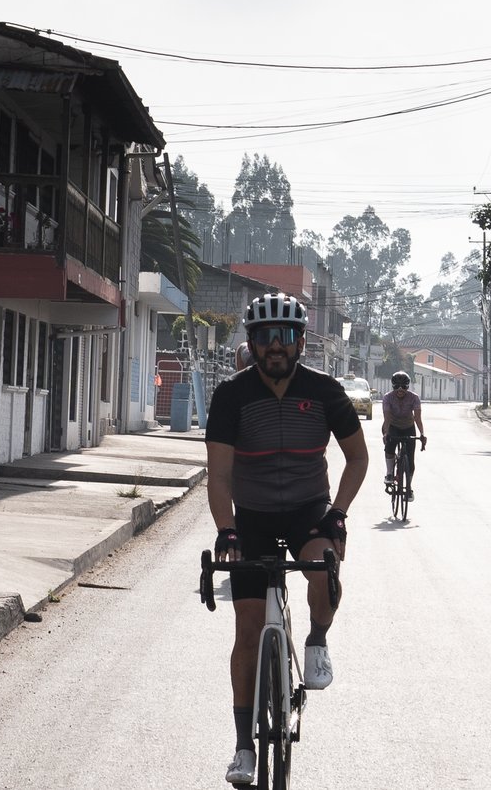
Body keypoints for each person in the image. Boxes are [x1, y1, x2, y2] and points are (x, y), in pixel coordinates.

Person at [206, 292, 369, 786]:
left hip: (307, 512)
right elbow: (218, 476)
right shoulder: (231, 395)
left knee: (323, 569)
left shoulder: (324, 391)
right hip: (252, 516)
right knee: (247, 629)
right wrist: (227, 531)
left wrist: (337, 515)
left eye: (285, 336)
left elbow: (358, 459)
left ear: (301, 341)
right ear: (252, 343)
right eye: (264, 337)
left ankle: (317, 640)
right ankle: (242, 748)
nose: (275, 346)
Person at [381, 371, 426, 499]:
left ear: (407, 387)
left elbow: (417, 418)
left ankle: (409, 488)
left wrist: (422, 434)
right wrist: (386, 433)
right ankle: (389, 473)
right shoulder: (387, 398)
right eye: (397, 387)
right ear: (393, 386)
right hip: (392, 426)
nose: (400, 390)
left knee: (410, 460)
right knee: (389, 447)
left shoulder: (414, 398)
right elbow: (387, 418)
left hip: (408, 427)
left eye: (403, 387)